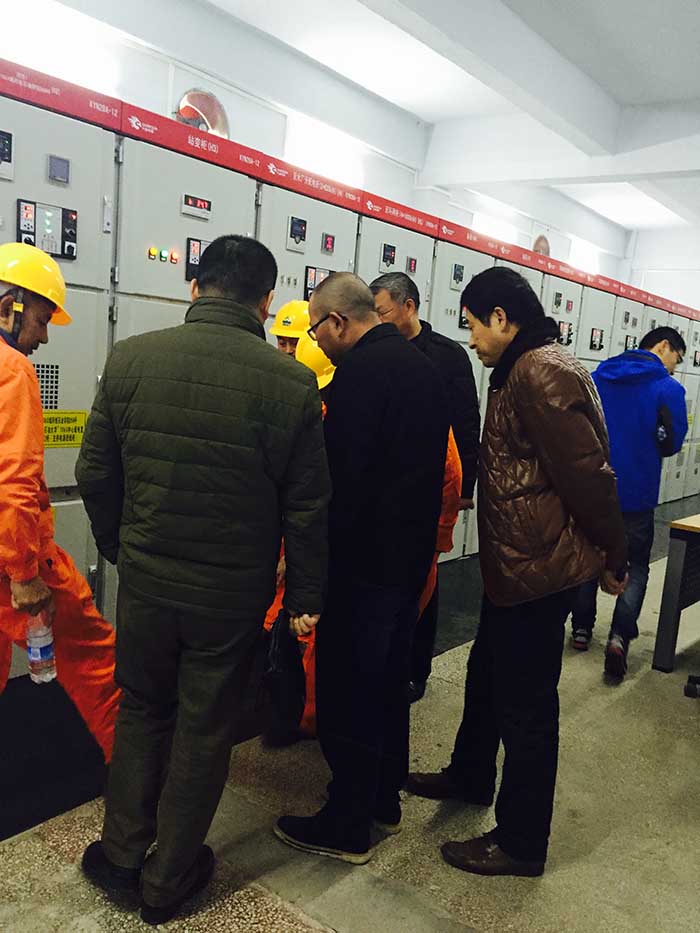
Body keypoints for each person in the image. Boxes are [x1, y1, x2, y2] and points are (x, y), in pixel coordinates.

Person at [77, 235, 330, 925]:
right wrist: (305, 596)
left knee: (142, 707)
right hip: (231, 594)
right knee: (204, 726)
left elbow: (95, 473)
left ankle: (122, 852)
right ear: (267, 301)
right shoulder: (291, 383)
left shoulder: (132, 357)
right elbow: (308, 506)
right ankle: (168, 878)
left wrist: (121, 546)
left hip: (149, 581)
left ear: (194, 286)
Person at [406, 267, 628, 877]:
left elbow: (587, 474)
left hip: (540, 568)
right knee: (486, 677)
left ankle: (522, 842)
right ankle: (471, 774)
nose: (471, 338)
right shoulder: (525, 366)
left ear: (502, 318)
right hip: (515, 565)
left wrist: (616, 553)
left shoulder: (538, 372)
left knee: (527, 708)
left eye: (474, 325)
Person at [275, 272, 449, 864]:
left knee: (347, 690)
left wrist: (309, 569)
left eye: (315, 331)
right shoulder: (423, 367)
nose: (314, 342)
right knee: (387, 686)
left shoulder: (357, 378)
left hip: (360, 568)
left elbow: (338, 487)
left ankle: (346, 824)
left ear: (338, 322)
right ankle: (382, 801)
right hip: (406, 563)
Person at [0, 242, 120, 764]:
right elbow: (14, 479)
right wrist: (24, 572)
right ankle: (137, 779)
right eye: (43, 319)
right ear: (11, 304)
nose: (44, 337)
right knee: (96, 660)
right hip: (15, 561)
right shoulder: (11, 369)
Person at [370, 272, 480, 701]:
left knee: (425, 581)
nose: (377, 320)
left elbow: (466, 422)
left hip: (433, 486)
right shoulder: (375, 351)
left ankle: (415, 669)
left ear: (409, 307)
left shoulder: (447, 356)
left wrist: (466, 486)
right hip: (387, 487)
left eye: (382, 312)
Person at [570, 326, 687, 678]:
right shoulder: (668, 389)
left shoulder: (596, 377)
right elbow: (672, 443)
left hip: (592, 490)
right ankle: (619, 637)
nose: (675, 367)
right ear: (663, 346)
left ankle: (581, 629)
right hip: (636, 494)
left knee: (587, 557)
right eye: (677, 358)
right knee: (635, 566)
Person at [262, 330, 335, 746]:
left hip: (297, 545)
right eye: (281, 341)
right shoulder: (315, 415)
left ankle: (300, 716)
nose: (286, 350)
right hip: (293, 543)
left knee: (297, 629)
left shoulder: (317, 417)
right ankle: (295, 715)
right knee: (291, 630)